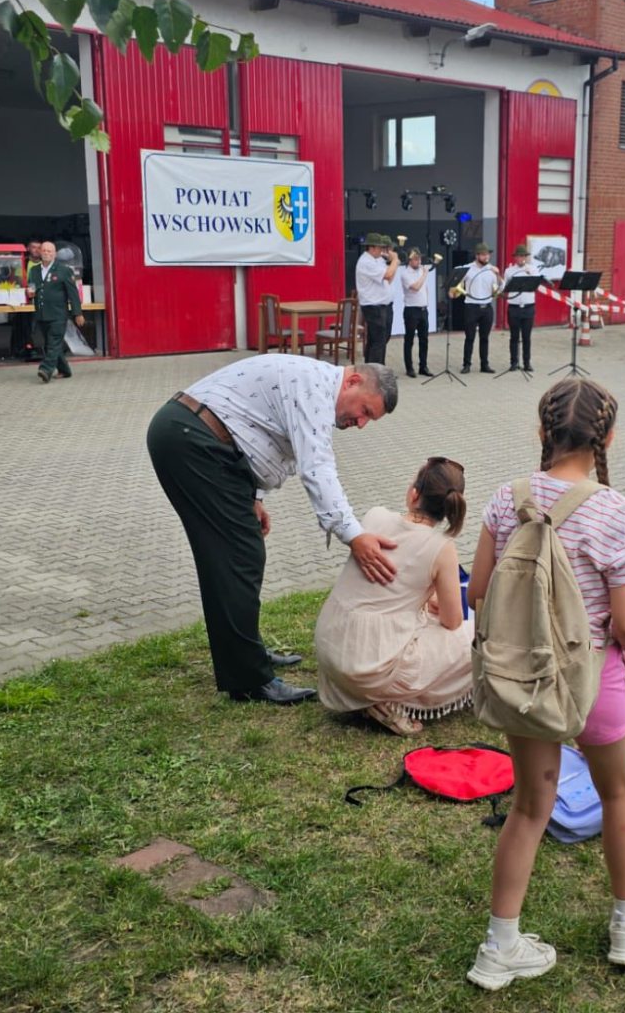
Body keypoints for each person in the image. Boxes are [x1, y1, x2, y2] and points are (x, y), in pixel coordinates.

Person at [465, 378, 625, 989]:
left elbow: (477, 591)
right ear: (609, 437)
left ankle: (499, 946)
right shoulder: (618, 512)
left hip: (523, 677)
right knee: (620, 793)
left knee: (530, 805)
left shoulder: (507, 498)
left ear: (541, 431)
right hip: (594, 677)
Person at [146, 356, 400, 705]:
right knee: (236, 558)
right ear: (353, 381)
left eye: (369, 419)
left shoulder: (315, 385)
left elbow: (262, 432)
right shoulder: (314, 387)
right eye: (365, 412)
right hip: (192, 442)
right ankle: (248, 679)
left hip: (204, 442)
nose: (360, 424)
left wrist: (254, 497)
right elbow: (317, 467)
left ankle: (247, 655)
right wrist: (354, 535)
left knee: (241, 555)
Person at [314, 458, 472, 735]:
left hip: (330, 646)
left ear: (414, 494)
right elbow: (452, 621)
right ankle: (386, 700)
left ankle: (367, 697)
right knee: (474, 638)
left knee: (422, 619)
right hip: (371, 666)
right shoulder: (441, 547)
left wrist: (424, 601)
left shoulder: (374, 516)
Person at [27, 239, 83, 384]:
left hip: (58, 314)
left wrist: (77, 313)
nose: (46, 253)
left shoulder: (64, 270)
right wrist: (30, 292)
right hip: (41, 313)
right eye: (44, 250)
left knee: (53, 343)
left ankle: (46, 369)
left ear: (55, 254)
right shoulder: (34, 270)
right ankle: (64, 370)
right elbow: (31, 286)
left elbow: (73, 294)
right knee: (50, 344)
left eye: (49, 251)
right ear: (40, 253)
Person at [355, 233, 398, 366]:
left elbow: (389, 278)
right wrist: (395, 260)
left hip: (383, 305)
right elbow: (388, 274)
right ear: (372, 248)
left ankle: (372, 367)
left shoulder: (377, 260)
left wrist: (393, 264)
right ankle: (376, 370)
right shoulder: (366, 262)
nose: (381, 250)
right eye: (379, 247)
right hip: (373, 306)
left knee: (380, 339)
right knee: (378, 340)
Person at [457, 242, 500, 374]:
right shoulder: (468, 268)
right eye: (483, 254)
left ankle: (484, 364)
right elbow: (456, 280)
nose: (486, 257)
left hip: (487, 306)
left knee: (484, 338)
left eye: (488, 254)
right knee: (469, 337)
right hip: (471, 306)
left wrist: (498, 275)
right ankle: (466, 364)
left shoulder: (492, 270)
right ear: (477, 256)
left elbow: (499, 288)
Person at [502, 244, 539, 372]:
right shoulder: (509, 271)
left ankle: (527, 363)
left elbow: (536, 284)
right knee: (514, 336)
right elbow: (505, 287)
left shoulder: (533, 269)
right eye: (519, 256)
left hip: (528, 306)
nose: (521, 258)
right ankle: (514, 362)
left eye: (523, 256)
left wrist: (529, 273)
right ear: (515, 258)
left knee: (526, 337)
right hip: (514, 306)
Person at [399, 248, 432, 377]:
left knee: (424, 339)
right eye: (416, 259)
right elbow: (416, 288)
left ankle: (423, 366)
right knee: (409, 339)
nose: (419, 261)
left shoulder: (420, 270)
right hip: (411, 309)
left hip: (423, 309)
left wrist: (426, 302)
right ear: (410, 260)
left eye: (420, 259)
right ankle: (409, 368)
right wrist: (425, 274)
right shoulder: (405, 274)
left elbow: (424, 289)